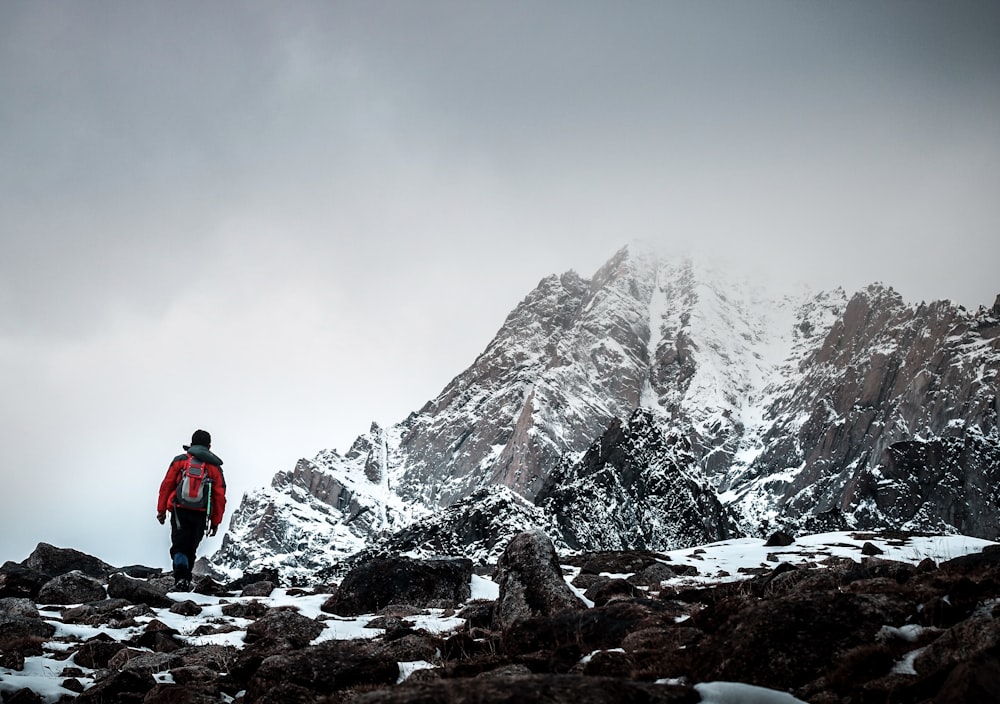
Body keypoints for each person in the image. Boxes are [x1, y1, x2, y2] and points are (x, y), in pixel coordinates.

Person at [156, 429, 227, 591]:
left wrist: (161, 511)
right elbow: (220, 496)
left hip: (179, 510)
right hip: (201, 513)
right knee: (191, 548)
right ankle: (185, 579)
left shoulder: (180, 461)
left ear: (192, 443)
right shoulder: (214, 468)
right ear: (209, 446)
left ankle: (181, 578)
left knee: (179, 545)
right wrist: (215, 522)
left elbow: (166, 486)